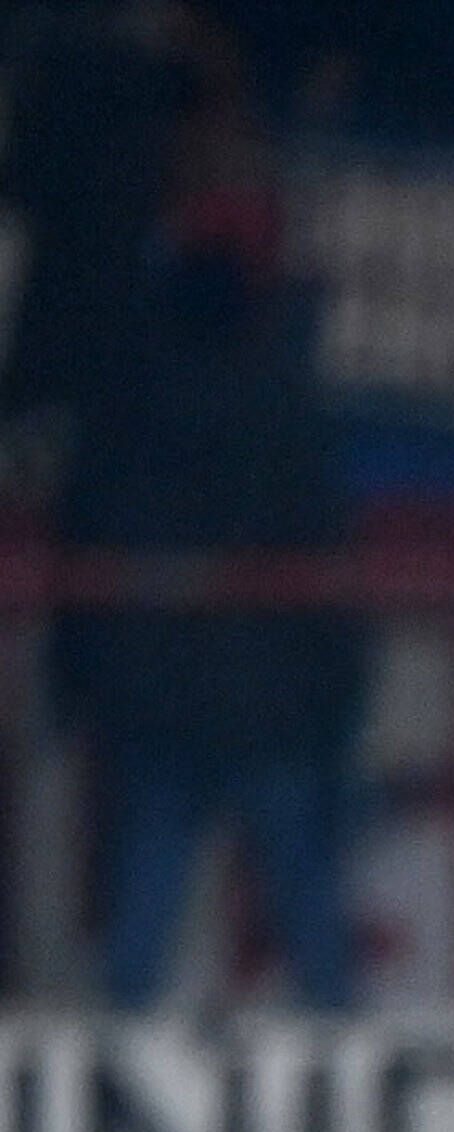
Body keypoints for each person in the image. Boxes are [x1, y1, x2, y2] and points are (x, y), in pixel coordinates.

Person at [54, 219, 364, 1012]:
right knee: (304, 889)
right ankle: (346, 1048)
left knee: (148, 897)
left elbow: (82, 539)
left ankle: (116, 1061)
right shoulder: (283, 403)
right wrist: (339, 691)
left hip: (158, 694)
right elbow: (326, 547)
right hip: (271, 697)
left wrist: (81, 682)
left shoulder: (124, 412)